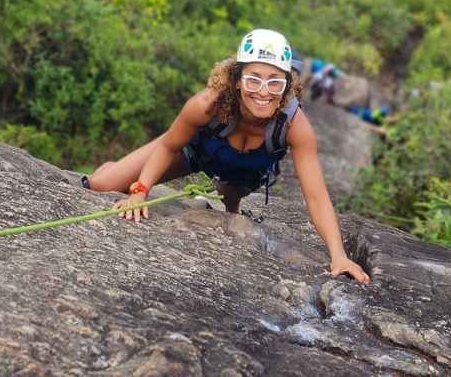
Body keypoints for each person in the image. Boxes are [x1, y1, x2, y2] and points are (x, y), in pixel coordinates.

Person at [87, 29, 370, 284]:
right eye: (253, 79)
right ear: (236, 80)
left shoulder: (294, 125)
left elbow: (317, 197)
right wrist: (140, 190)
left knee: (231, 209)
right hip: (193, 154)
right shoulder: (208, 104)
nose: (263, 92)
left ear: (287, 85)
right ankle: (116, 168)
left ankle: (227, 201)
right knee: (101, 183)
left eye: (275, 82)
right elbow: (167, 147)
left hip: (244, 175)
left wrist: (339, 256)